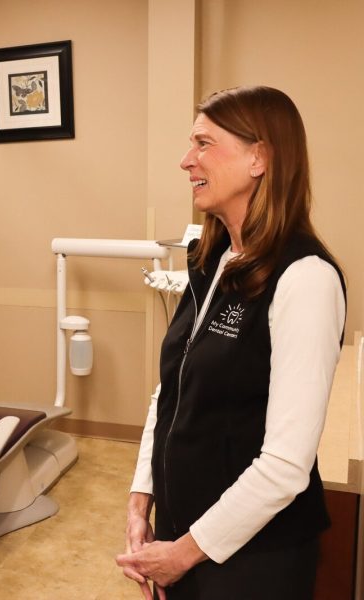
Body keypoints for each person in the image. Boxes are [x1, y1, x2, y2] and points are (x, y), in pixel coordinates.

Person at [115, 86, 347, 599]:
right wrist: (141, 500)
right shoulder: (213, 260)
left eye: (203, 143)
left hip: (254, 560)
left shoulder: (305, 278)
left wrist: (183, 553)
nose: (186, 161)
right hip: (186, 532)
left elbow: (285, 467)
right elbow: (171, 390)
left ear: (259, 158)